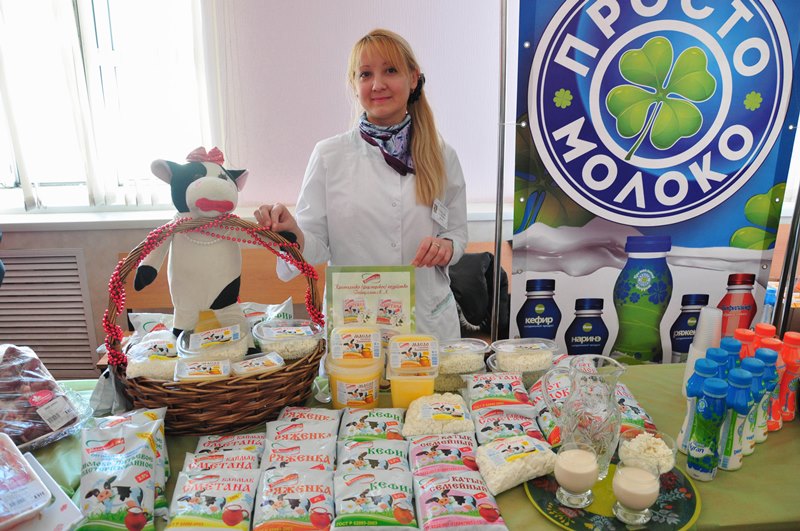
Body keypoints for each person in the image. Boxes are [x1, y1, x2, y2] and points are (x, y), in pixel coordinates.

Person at [255, 28, 467, 339]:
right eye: (365, 74)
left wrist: (446, 247)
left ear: (413, 78)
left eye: (390, 70)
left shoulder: (442, 155)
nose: (377, 84)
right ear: (354, 86)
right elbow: (315, 247)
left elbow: (457, 232)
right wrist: (293, 233)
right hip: (355, 329)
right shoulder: (329, 155)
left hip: (428, 323)